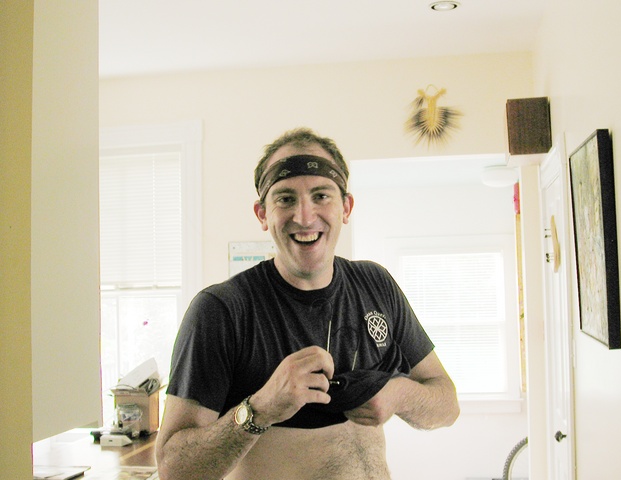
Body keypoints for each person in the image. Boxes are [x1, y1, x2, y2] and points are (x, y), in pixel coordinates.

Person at [155, 127, 459, 480]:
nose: (304, 216)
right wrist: (261, 409)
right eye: (285, 199)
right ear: (262, 214)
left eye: (321, 195)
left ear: (346, 207)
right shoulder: (222, 310)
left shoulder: (376, 284)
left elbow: (447, 405)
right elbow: (173, 469)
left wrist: (398, 395)